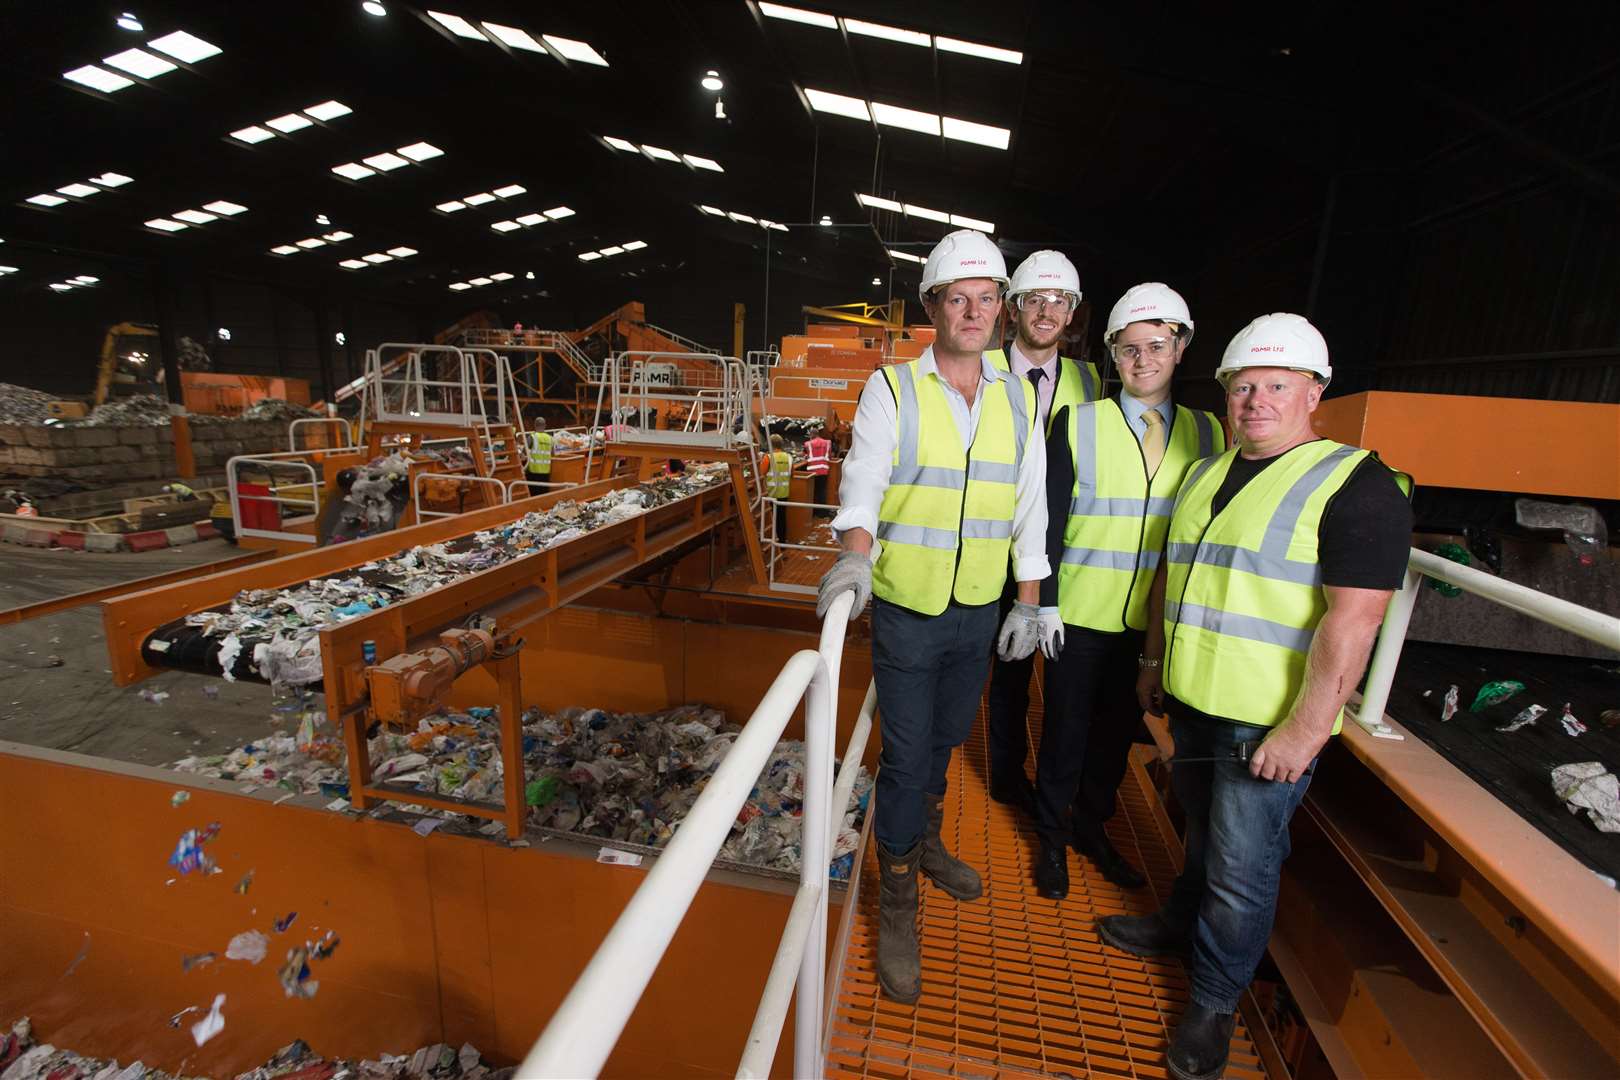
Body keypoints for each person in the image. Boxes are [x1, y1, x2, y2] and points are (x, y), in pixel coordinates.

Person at [1098, 313, 1411, 1080]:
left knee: (1243, 871)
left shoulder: (1358, 486)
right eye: (1244, 387)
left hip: (1266, 722)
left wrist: (1305, 731)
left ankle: (1211, 1003)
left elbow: (1357, 618)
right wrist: (1155, 661)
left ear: (1314, 392)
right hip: (1196, 700)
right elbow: (1180, 575)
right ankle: (1178, 924)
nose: (1256, 400)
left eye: (1276, 385)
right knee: (1200, 833)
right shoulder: (1209, 472)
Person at [816, 229, 1049, 1004]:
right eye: (960, 298)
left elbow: (1029, 505)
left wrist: (1028, 600)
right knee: (909, 757)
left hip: (979, 608)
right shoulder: (894, 388)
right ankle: (899, 898)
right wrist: (855, 554)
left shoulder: (1019, 398)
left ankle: (931, 841)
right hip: (910, 607)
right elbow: (864, 480)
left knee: (949, 737)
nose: (975, 312)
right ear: (934, 308)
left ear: (1002, 312)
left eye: (988, 299)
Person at [1032, 283, 1224, 899]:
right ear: (1112, 355)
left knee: (1117, 735)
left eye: (1156, 346)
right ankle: (1050, 839)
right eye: (1128, 349)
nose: (1142, 360)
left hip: (1149, 626)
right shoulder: (1077, 423)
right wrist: (1042, 604)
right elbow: (1050, 521)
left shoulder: (1210, 434)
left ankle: (1091, 828)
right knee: (1064, 732)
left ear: (1180, 348)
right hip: (1079, 616)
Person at [983, 250, 1102, 816]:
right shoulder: (982, 371)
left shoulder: (1092, 382)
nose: (1047, 311)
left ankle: (1057, 789)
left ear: (1072, 313)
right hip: (995, 544)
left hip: (1065, 549)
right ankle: (1007, 777)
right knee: (1007, 670)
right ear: (1014, 309)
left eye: (1060, 301)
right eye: (1036, 299)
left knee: (1061, 673)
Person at [764, 434, 792, 538]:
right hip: (784, 492)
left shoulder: (768, 457)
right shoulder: (789, 457)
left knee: (770, 518)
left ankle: (771, 539)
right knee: (781, 518)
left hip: (771, 493)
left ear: (770, 445)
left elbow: (761, 473)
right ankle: (782, 542)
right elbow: (792, 473)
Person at [804, 423, 833, 517]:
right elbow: (829, 455)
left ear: (811, 435)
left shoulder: (807, 444)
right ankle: (823, 513)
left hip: (812, 472)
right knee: (822, 491)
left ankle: (814, 512)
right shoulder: (827, 442)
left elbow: (806, 454)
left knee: (813, 492)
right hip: (824, 470)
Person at [523, 418, 553, 488]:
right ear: (545, 425)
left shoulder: (532, 437)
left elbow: (523, 452)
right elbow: (552, 454)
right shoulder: (550, 438)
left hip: (533, 472)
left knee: (534, 494)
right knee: (543, 493)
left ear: (535, 425)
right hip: (546, 472)